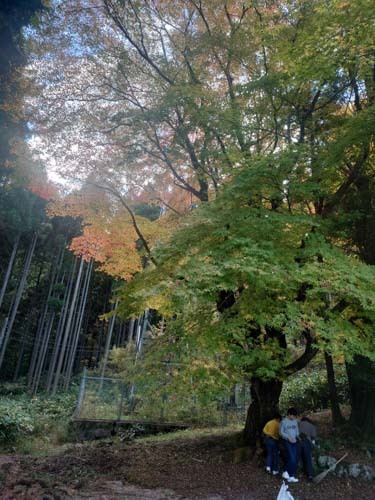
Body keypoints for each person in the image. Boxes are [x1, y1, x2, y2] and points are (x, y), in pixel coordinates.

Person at [280, 407, 299, 483]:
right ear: (289, 414)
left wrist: (297, 436)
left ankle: (291, 476)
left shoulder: (295, 421)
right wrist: (288, 437)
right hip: (287, 442)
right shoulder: (283, 422)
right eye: (292, 415)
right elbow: (281, 433)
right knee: (292, 458)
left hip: (294, 441)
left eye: (295, 416)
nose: (293, 417)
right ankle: (285, 471)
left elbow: (297, 430)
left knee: (295, 459)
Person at [298, 416, 317, 481]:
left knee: (299, 458)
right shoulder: (311, 426)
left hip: (298, 442)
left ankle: (297, 474)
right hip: (307, 443)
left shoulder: (298, 424)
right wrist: (313, 446)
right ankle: (310, 475)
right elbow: (313, 438)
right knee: (308, 459)